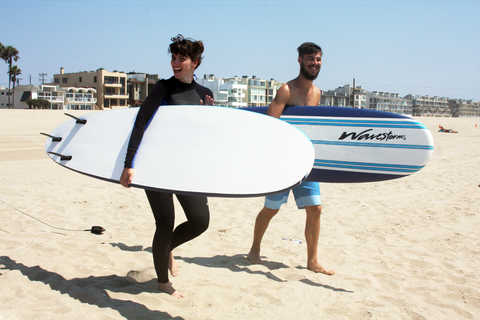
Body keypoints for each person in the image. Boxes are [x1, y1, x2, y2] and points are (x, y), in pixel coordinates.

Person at [120, 34, 214, 297]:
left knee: (200, 221)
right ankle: (163, 282)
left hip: (188, 168)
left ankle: (165, 249)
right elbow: (140, 124)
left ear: (194, 62)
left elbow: (209, 136)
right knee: (165, 221)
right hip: (157, 166)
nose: (175, 62)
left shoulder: (206, 95)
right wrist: (129, 164)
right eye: (173, 57)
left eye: (181, 58)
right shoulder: (163, 89)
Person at [247, 42, 334, 276]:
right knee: (271, 209)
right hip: (283, 161)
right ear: (299, 61)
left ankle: (312, 261)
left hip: (307, 160)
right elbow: (269, 127)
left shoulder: (317, 93)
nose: (314, 64)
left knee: (315, 209)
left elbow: (314, 127)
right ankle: (254, 249)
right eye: (310, 59)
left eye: (318, 59)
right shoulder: (286, 90)